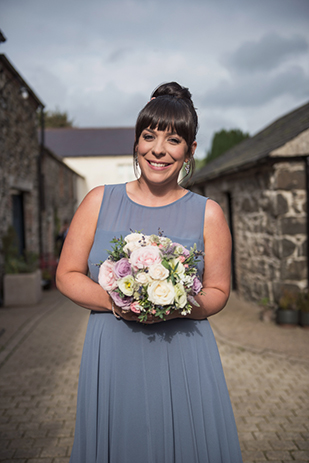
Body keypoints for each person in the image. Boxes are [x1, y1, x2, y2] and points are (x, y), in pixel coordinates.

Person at [56, 82, 243, 462]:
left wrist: (178, 305)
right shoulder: (98, 200)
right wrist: (119, 302)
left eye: (173, 140)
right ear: (136, 142)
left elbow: (219, 291)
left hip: (183, 352)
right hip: (114, 350)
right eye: (149, 136)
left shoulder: (209, 213)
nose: (158, 149)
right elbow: (67, 274)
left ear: (190, 150)